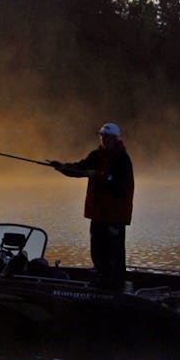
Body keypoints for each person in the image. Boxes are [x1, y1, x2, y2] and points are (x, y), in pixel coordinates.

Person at [50, 122, 135, 289]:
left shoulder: (122, 159)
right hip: (98, 213)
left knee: (114, 253)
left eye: (107, 137)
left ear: (115, 139)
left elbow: (118, 184)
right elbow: (80, 168)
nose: (103, 139)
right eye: (101, 136)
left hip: (115, 215)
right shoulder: (96, 155)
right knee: (97, 250)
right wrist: (62, 167)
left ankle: (116, 285)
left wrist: (98, 175)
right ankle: (102, 280)